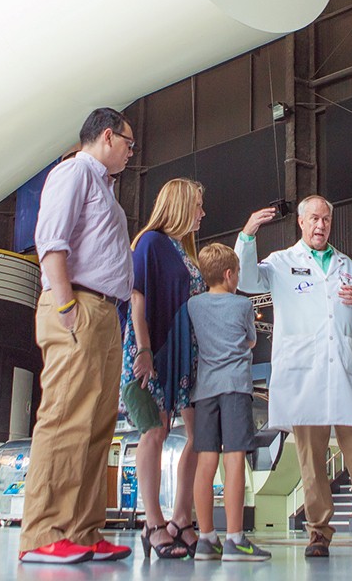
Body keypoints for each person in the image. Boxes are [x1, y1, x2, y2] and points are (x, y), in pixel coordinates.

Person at [236, 196, 352, 559]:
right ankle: (318, 534)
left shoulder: (348, 266)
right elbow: (248, 280)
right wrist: (249, 235)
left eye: (326, 220)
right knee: (312, 463)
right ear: (300, 223)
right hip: (305, 376)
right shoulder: (283, 262)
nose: (320, 225)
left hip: (345, 373)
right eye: (314, 219)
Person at [18, 108, 137, 565]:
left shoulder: (102, 186)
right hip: (78, 305)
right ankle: (44, 532)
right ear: (108, 136)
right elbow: (51, 240)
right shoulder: (74, 172)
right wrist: (66, 305)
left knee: (96, 423)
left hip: (104, 311)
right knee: (66, 417)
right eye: (129, 142)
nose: (130, 151)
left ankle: (83, 531)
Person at [125, 178, 206, 559]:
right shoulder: (151, 242)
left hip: (185, 354)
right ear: (180, 205)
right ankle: (153, 522)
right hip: (154, 349)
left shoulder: (185, 251)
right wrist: (143, 349)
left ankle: (182, 519)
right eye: (198, 206)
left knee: (200, 434)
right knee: (154, 432)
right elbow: (137, 296)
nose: (203, 214)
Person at [189, 242, 270, 562]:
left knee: (206, 462)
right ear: (228, 274)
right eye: (237, 273)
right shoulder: (243, 306)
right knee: (234, 459)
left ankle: (206, 539)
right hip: (235, 388)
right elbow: (250, 340)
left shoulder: (193, 305)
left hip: (205, 391)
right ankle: (235, 538)